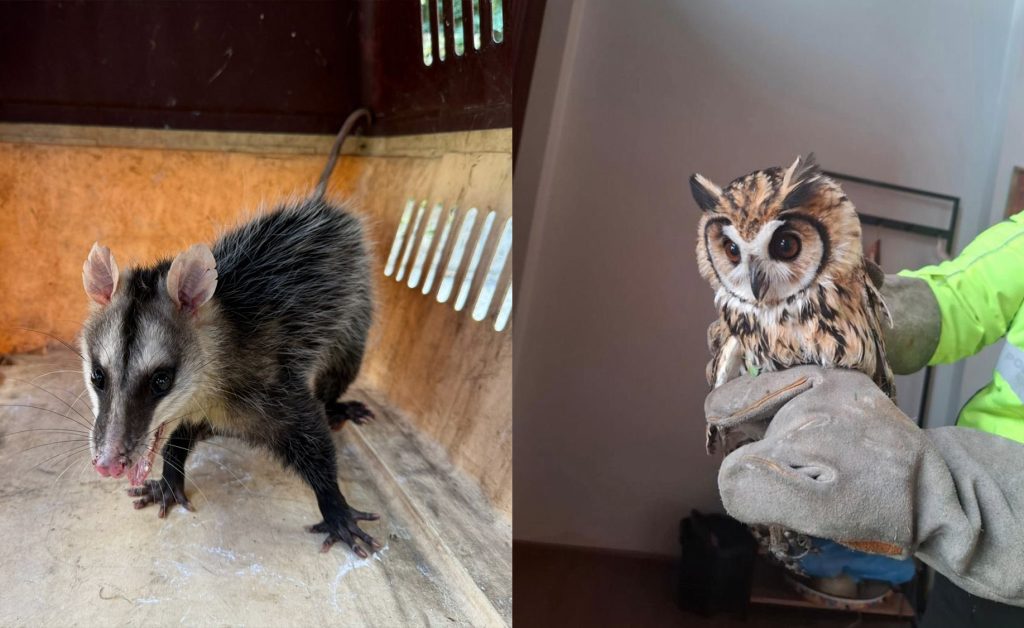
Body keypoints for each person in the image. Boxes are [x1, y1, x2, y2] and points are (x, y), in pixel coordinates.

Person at [706, 212, 1024, 627]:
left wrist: (933, 493)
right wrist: (851, 311)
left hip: (989, 519)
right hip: (969, 573)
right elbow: (959, 298)